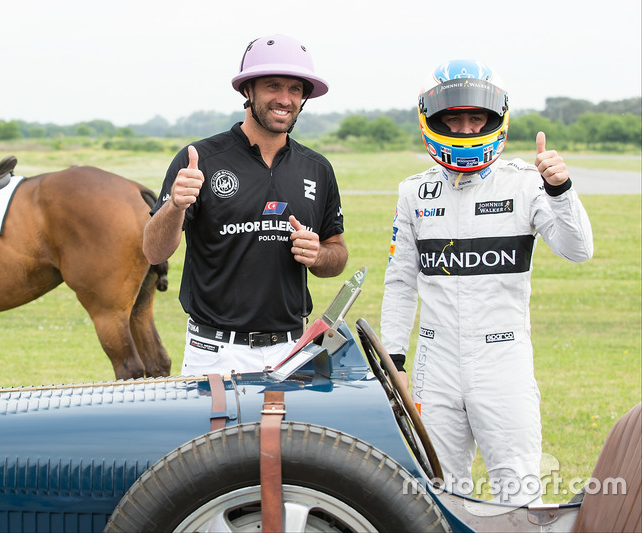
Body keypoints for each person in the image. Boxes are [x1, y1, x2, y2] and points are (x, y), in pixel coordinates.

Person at [380, 59, 593, 505]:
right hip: (434, 363)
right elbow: (399, 282)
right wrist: (394, 359)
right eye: (453, 119)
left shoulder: (526, 184)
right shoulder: (413, 192)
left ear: (496, 120)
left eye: (476, 117)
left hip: (503, 358)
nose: (464, 129)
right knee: (437, 494)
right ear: (432, 122)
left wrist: (562, 189)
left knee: (516, 490)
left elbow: (578, 249)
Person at [143, 34, 348, 376]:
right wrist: (175, 206)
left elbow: (336, 255)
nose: (284, 99)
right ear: (247, 91)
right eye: (272, 86)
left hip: (290, 350)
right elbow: (153, 252)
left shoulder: (317, 168)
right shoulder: (201, 159)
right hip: (214, 352)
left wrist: (319, 255)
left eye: (295, 89)